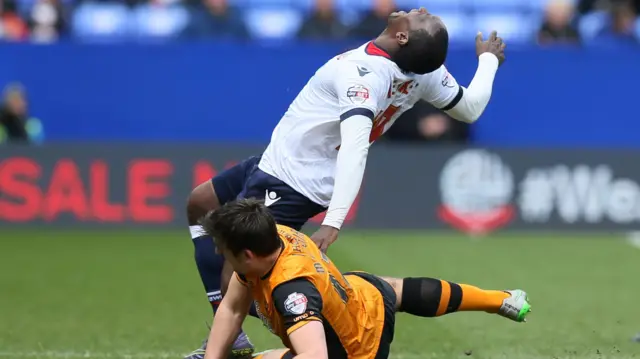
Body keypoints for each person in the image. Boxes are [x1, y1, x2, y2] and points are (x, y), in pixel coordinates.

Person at [184, 7, 506, 359]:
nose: (420, 9)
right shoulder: (422, 71)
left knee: (239, 258)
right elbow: (470, 108)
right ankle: (233, 326)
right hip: (277, 159)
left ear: (402, 36)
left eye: (421, 17)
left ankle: (234, 341)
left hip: (294, 177)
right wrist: (487, 61)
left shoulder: (363, 76)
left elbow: (355, 146)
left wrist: (333, 221)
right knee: (201, 203)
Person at [199, 198, 531, 359]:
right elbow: (230, 310)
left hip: (357, 351)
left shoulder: (292, 291)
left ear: (247, 255)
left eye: (221, 248)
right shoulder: (274, 235)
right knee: (397, 289)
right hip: (360, 295)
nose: (217, 252)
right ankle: (499, 299)